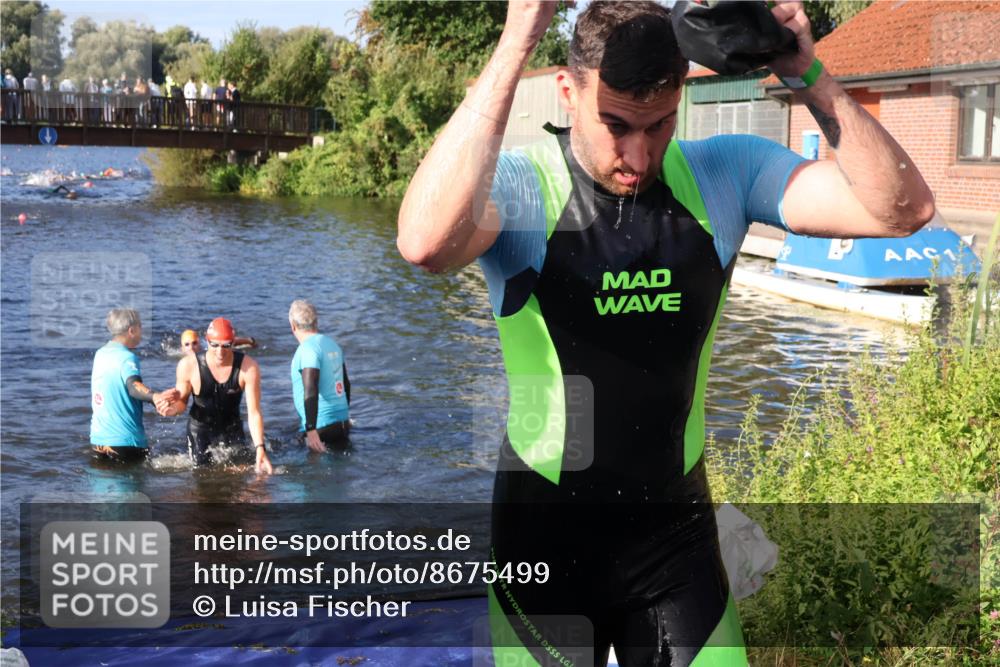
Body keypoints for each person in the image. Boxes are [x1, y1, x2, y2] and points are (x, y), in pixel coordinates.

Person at [396, 2, 935, 665]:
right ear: (569, 92)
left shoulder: (723, 176)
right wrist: (517, 39)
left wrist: (807, 72)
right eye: (615, 124)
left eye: (659, 126)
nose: (637, 153)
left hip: (674, 541)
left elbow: (905, 209)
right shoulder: (524, 190)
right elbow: (422, 242)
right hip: (545, 544)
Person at [165, 317, 273, 474]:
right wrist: (171, 409)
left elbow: (254, 412)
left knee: (241, 473)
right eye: (214, 345)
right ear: (206, 341)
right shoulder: (188, 365)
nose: (220, 351)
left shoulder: (248, 367)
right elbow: (181, 403)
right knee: (202, 475)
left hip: (232, 427)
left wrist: (260, 447)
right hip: (199, 429)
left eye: (226, 346)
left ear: (233, 342)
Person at [90, 308, 178, 462]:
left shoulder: (100, 353)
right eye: (140, 327)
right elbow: (133, 386)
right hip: (125, 442)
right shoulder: (127, 357)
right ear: (131, 331)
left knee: (102, 485)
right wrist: (155, 397)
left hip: (98, 440)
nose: (142, 331)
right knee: (133, 486)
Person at [288, 300, 351, 452]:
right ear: (316, 322)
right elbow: (346, 384)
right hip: (342, 424)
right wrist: (344, 416)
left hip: (321, 428)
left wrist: (311, 430)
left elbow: (311, 389)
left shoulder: (307, 350)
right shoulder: (332, 344)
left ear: (293, 326)